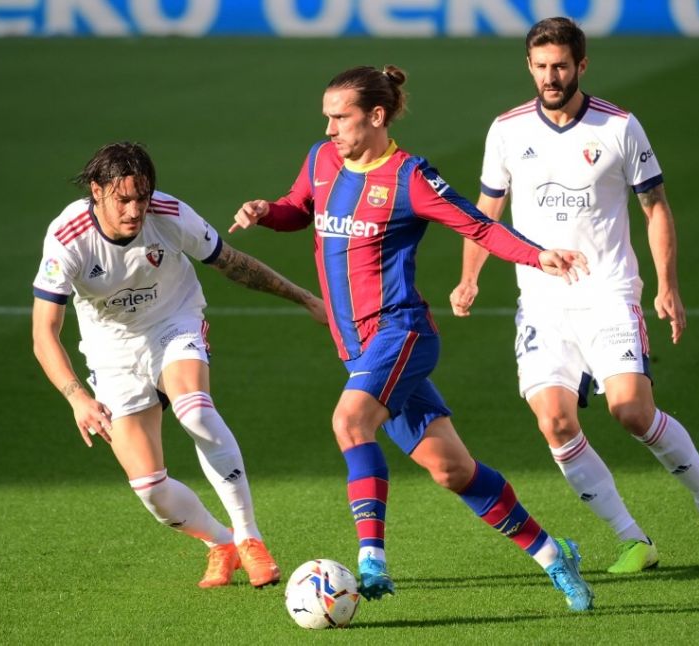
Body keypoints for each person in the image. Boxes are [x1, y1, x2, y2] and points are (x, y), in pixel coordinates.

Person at [229, 65, 594, 611]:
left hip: (401, 333)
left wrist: (538, 254)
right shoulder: (322, 159)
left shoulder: (409, 178)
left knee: (350, 422)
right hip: (359, 349)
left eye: (339, 117)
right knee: (453, 470)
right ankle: (552, 555)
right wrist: (266, 212)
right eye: (326, 117)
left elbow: (479, 225)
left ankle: (371, 558)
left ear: (375, 117)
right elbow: (299, 208)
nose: (329, 129)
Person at [449, 16, 699, 573]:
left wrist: (667, 287)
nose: (550, 76)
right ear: (529, 68)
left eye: (560, 65)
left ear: (581, 65)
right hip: (541, 299)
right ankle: (633, 539)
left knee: (631, 411)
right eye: (540, 66)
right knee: (555, 422)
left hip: (608, 291)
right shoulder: (507, 130)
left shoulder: (619, 127)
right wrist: (470, 277)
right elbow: (486, 214)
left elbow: (655, 208)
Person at [32, 142, 327, 589]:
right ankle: (221, 543)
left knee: (196, 410)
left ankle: (250, 538)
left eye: (142, 197)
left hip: (174, 322)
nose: (135, 210)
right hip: (110, 350)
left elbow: (233, 264)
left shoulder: (169, 215)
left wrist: (305, 298)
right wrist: (77, 398)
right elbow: (44, 331)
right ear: (97, 191)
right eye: (123, 199)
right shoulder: (68, 237)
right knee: (151, 488)